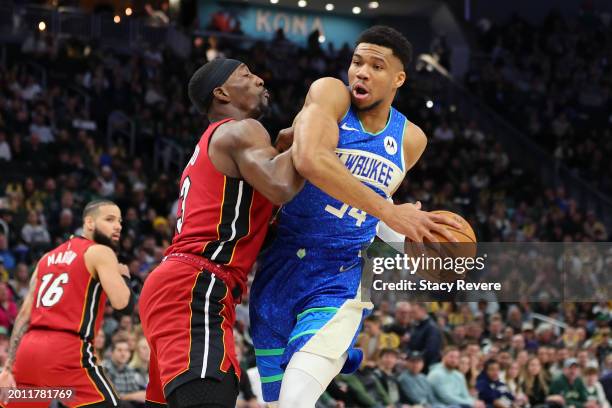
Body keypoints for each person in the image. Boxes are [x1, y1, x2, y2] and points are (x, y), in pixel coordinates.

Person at [250, 25, 461, 407]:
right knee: (277, 402)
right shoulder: (330, 93)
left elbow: (366, 209)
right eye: (357, 61)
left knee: (295, 400)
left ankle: (338, 345)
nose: (361, 72)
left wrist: (405, 242)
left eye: (376, 66)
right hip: (280, 268)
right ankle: (340, 355)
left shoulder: (411, 140)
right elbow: (311, 159)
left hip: (342, 275)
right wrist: (391, 213)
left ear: (399, 78)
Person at [138, 58, 304, 408]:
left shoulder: (213, 144)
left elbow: (260, 225)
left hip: (182, 285)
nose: (260, 80)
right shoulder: (241, 129)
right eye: (246, 74)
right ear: (222, 92)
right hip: (196, 285)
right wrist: (311, 133)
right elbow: (281, 185)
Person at [0, 199, 133, 407]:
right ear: (89, 223)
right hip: (66, 352)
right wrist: (124, 276)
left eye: (120, 221)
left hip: (28, 353)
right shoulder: (101, 252)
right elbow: (122, 304)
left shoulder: (46, 258)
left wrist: (8, 367)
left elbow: (24, 315)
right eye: (109, 219)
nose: (118, 226)